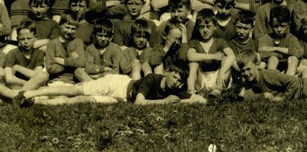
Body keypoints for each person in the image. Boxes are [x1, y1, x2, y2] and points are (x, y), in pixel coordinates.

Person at [15, 59, 206, 106]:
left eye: (180, 81)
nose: (176, 82)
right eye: (174, 77)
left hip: (121, 99)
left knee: (81, 100)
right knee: (75, 90)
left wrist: (186, 99)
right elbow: (140, 103)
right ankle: (31, 93)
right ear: (167, 72)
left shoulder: (176, 90)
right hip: (118, 84)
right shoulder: (153, 79)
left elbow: (200, 100)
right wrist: (165, 102)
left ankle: (38, 102)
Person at [236, 49, 307, 101]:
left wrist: (283, 99)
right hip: (301, 91)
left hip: (304, 88)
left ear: (257, 65)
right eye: (243, 71)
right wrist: (264, 96)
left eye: (248, 69)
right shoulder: (249, 80)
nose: (246, 73)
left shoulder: (269, 75)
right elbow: (246, 95)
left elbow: (292, 82)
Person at [0, 21, 49, 102]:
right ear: (17, 40)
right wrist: (29, 83)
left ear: (36, 38)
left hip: (30, 87)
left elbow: (37, 74)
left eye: (29, 38)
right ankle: (20, 97)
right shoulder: (12, 53)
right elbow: (9, 78)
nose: (26, 42)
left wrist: (18, 68)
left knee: (44, 76)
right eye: (22, 39)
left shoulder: (39, 53)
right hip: (15, 86)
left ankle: (13, 98)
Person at [187, 9, 235, 95]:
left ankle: (218, 90)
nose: (205, 30)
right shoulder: (195, 42)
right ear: (198, 27)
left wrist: (222, 71)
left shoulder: (220, 41)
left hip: (217, 78)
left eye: (208, 26)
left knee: (226, 61)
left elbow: (231, 55)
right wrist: (213, 56)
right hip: (201, 79)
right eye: (202, 27)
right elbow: (190, 56)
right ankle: (190, 91)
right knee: (193, 64)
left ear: (215, 26)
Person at [44, 10, 86, 85]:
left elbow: (81, 62)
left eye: (73, 29)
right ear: (60, 25)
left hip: (74, 81)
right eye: (67, 27)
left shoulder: (78, 42)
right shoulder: (52, 43)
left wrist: (60, 61)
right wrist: (72, 63)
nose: (69, 31)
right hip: (56, 81)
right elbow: (50, 68)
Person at [258, 5, 302, 75]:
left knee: (293, 59)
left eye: (283, 26)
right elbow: (261, 52)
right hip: (270, 67)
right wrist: (285, 53)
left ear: (288, 25)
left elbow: (299, 53)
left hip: (288, 68)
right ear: (270, 24)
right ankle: (272, 82)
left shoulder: (291, 38)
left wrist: (276, 48)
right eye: (275, 26)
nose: (279, 29)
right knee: (273, 59)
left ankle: (288, 81)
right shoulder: (266, 38)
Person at [76, 18, 122, 82]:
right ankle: (93, 85)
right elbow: (88, 68)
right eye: (100, 35)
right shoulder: (91, 48)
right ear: (94, 35)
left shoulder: (115, 48)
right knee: (78, 71)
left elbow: (116, 71)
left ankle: (92, 85)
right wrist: (104, 68)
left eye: (106, 36)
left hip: (108, 78)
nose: (103, 39)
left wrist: (98, 75)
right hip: (93, 77)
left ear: (110, 37)